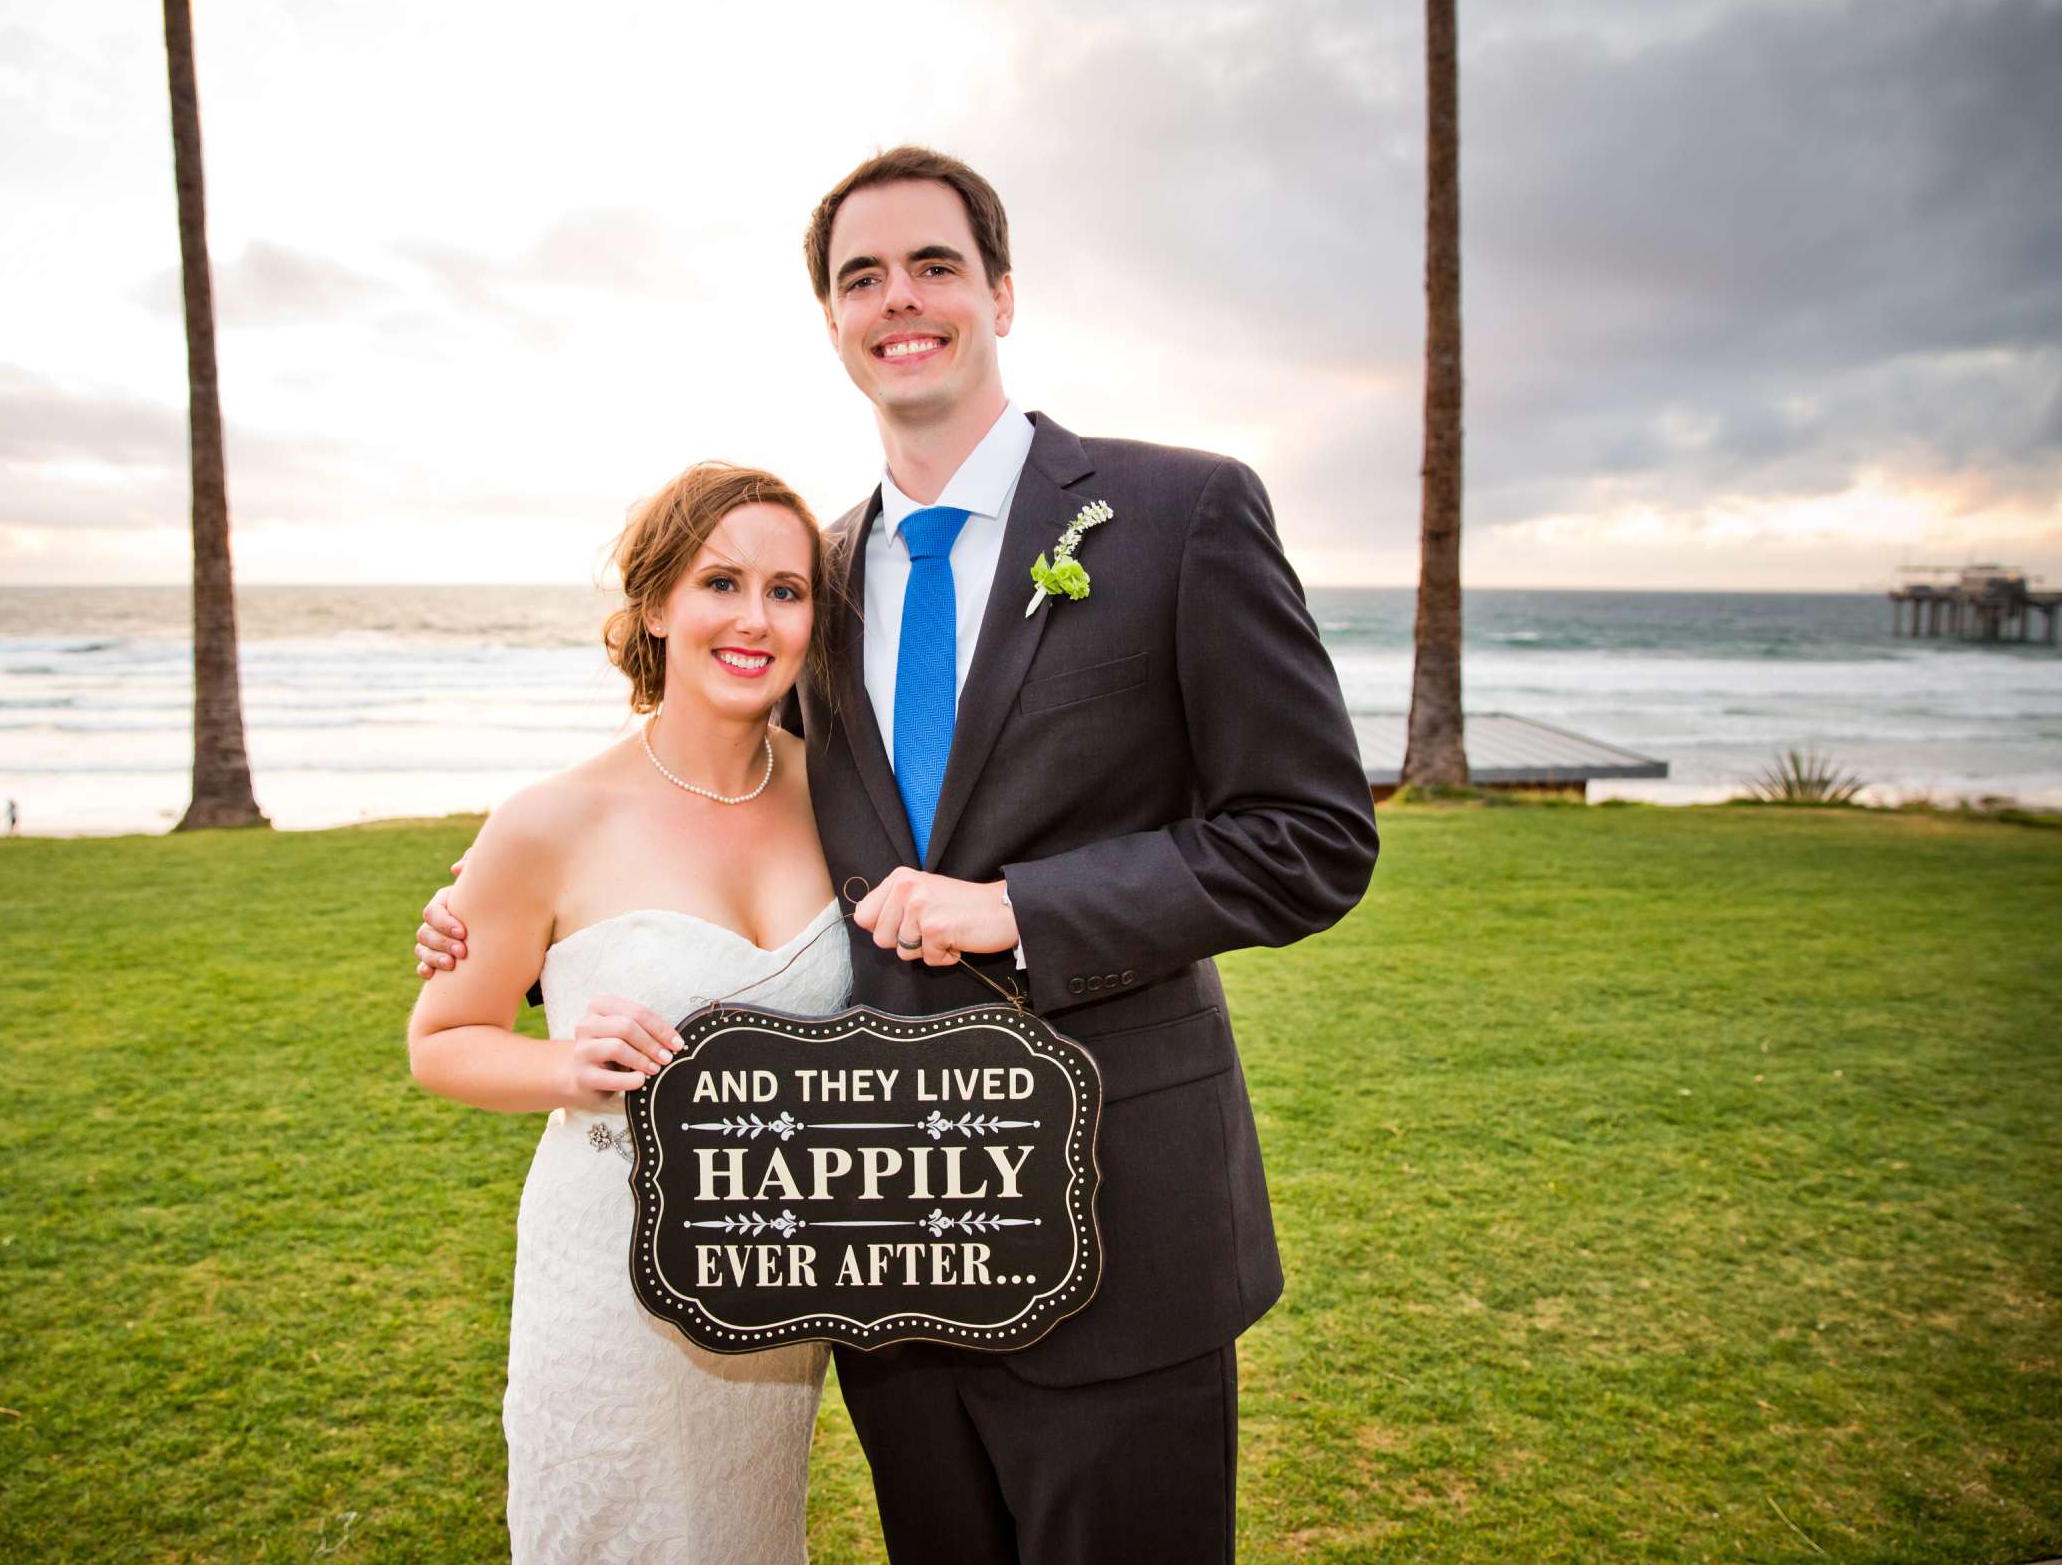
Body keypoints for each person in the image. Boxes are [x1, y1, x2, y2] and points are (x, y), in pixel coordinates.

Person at [419, 146, 1378, 1562]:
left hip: (1124, 1224)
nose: (900, 299)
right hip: (880, 1257)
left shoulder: (1185, 513)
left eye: (933, 264)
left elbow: (1310, 839)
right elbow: (720, 791)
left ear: (998, 291)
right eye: (861, 277)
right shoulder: (823, 574)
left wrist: (1018, 909)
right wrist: (489, 912)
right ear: (831, 321)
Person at [406, 463, 850, 1564]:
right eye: (722, 583)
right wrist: (569, 1065)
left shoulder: (843, 798)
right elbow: (441, 1040)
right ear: (656, 605)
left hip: (772, 1292)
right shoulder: (551, 818)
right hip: (607, 1277)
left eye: (787, 591)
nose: (755, 619)